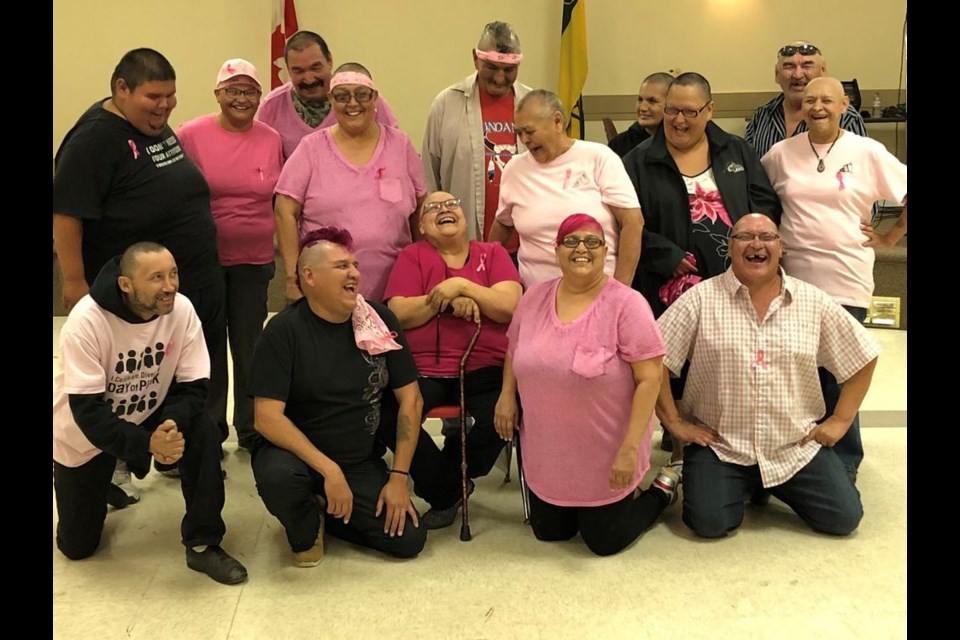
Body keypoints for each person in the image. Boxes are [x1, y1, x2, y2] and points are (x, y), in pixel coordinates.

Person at [53, 47, 228, 503]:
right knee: (130, 379)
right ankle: (111, 464)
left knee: (185, 375)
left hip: (189, 282)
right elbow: (66, 213)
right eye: (154, 96)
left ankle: (177, 451)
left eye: (171, 96)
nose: (165, 106)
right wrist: (73, 282)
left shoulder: (147, 123)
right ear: (121, 90)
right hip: (138, 295)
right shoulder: (94, 138)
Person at [655, 214, 880, 538]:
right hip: (722, 446)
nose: (756, 244)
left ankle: (765, 484)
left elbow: (864, 356)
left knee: (843, 519)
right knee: (709, 524)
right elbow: (653, 359)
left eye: (767, 236)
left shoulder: (812, 301)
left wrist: (841, 420)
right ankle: (744, 483)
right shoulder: (700, 299)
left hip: (793, 445)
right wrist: (674, 423)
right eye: (745, 236)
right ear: (730, 248)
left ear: (781, 247)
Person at [53, 242, 247, 584]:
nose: (169, 286)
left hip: (150, 413)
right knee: (78, 548)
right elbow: (87, 412)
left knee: (201, 428)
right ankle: (99, 480)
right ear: (126, 285)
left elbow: (194, 383)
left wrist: (171, 424)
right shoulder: (87, 320)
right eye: (156, 277)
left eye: (173, 274)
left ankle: (203, 543)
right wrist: (147, 445)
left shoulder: (182, 310)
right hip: (85, 433)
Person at [494, 214, 679, 556]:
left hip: (607, 453)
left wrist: (629, 448)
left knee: (604, 541)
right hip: (548, 454)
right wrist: (507, 394)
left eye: (592, 241)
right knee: (550, 533)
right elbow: (514, 347)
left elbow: (650, 379)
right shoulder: (533, 297)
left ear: (606, 250)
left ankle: (660, 492)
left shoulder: (627, 304)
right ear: (557, 251)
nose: (582, 248)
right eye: (571, 241)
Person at [623, 72, 781, 460]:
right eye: (672, 110)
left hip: (735, 280)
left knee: (729, 357)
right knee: (675, 361)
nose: (679, 120)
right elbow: (624, 224)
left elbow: (766, 206)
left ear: (709, 110)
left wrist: (756, 250)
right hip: (672, 283)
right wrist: (665, 254)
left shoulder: (736, 151)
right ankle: (679, 439)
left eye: (690, 112)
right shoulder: (638, 161)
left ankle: (734, 435)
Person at [249, 227, 426, 566]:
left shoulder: (377, 319)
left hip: (357, 460)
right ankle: (305, 518)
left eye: (355, 265)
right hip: (295, 456)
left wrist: (399, 477)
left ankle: (327, 509)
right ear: (309, 276)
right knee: (281, 480)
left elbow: (411, 400)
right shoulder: (283, 331)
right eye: (342, 266)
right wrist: (329, 471)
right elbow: (266, 418)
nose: (355, 273)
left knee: (409, 540)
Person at [761, 77, 906, 480]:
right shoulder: (780, 154)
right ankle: (801, 452)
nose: (818, 106)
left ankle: (844, 460)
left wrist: (891, 236)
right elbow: (761, 201)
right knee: (802, 370)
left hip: (847, 277)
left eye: (827, 99)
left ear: (844, 104)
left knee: (843, 371)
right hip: (794, 280)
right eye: (810, 100)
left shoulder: (866, 151)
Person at [383, 191, 523, 528]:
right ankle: (448, 490)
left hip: (485, 367)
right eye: (434, 208)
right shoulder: (412, 256)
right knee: (388, 413)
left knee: (503, 417)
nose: (445, 209)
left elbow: (510, 306)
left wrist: (463, 286)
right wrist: (442, 301)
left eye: (451, 204)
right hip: (424, 370)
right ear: (422, 226)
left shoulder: (493, 253)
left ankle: (447, 477)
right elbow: (398, 312)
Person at [178, 59, 284, 452]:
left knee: (250, 345)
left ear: (260, 96)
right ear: (218, 94)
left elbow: (279, 196)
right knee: (206, 346)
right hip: (204, 260)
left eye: (250, 91)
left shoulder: (271, 138)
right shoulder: (190, 134)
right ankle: (209, 430)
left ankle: (253, 428)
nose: (242, 98)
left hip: (254, 260)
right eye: (233, 90)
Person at [274, 63, 427, 304]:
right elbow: (284, 210)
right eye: (342, 96)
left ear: (375, 98)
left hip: (395, 292)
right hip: (326, 296)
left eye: (361, 94)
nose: (352, 103)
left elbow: (420, 210)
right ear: (331, 100)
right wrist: (293, 278)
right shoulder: (311, 148)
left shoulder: (401, 145)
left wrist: (424, 272)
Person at [490, 90, 643, 288]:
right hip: (537, 294)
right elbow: (503, 225)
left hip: (598, 290)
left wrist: (621, 290)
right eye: (519, 133)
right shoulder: (514, 168)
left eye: (530, 131)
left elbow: (632, 222)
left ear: (557, 121)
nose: (524, 140)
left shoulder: (599, 157)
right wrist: (485, 270)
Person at [421, 21, 532, 246]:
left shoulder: (533, 105)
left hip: (527, 250)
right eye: (491, 67)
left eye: (509, 70)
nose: (500, 78)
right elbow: (428, 180)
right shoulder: (446, 104)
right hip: (463, 247)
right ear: (475, 58)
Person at [257, 30, 398, 161]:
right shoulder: (272, 105)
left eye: (315, 68)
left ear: (329, 61)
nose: (309, 78)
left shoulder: (365, 101)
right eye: (298, 71)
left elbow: (393, 153)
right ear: (288, 70)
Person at [745, 41, 867, 159]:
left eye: (807, 65)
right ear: (777, 74)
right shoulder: (762, 115)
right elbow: (748, 167)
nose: (797, 75)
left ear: (822, 71)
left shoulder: (846, 117)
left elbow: (860, 170)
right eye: (789, 66)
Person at [608, 72, 674, 158]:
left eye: (652, 101)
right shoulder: (619, 145)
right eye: (640, 100)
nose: (643, 108)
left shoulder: (681, 143)